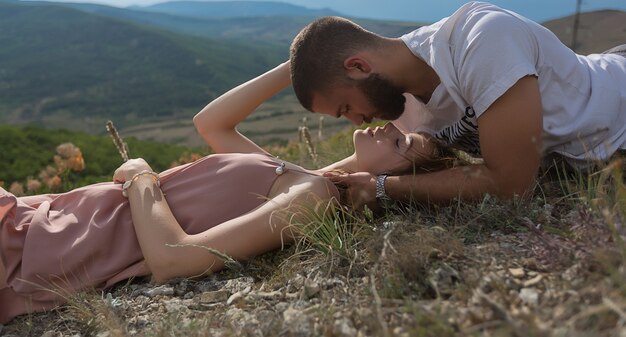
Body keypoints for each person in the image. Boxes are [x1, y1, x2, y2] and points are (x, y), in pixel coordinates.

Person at [0, 61, 438, 324]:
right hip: (40, 219)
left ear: (397, 178)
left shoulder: (312, 196)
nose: (390, 129)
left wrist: (140, 176)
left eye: (402, 143)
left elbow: (175, 259)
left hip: (52, 245)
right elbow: (211, 123)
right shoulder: (297, 174)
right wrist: (301, 67)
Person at [289, 1, 626, 209]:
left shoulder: (481, 41)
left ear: (359, 67)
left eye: (346, 107)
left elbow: (511, 185)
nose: (357, 122)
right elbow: (329, 175)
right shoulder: (397, 105)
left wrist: (382, 188)